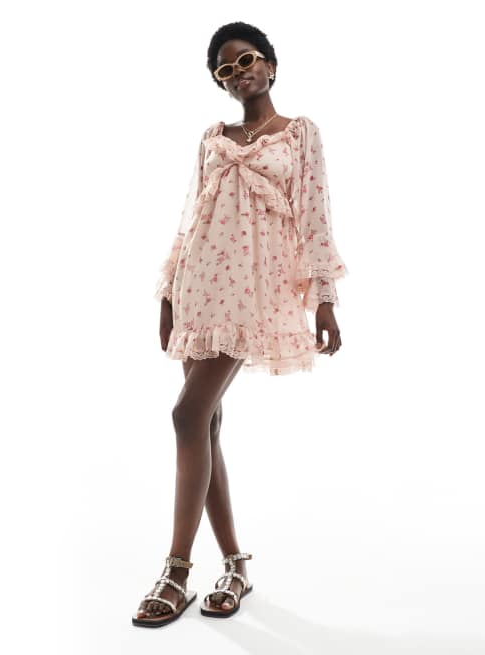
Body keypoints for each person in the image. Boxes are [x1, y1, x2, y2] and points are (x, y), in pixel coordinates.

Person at [133, 21, 349, 628]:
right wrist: (167, 291)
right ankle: (234, 566)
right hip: (199, 284)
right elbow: (190, 216)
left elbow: (316, 215)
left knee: (186, 415)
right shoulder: (213, 138)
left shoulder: (300, 134)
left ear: (270, 64)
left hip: (253, 290)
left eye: (246, 60)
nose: (238, 74)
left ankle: (176, 570)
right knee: (205, 424)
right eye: (224, 70)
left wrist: (325, 298)